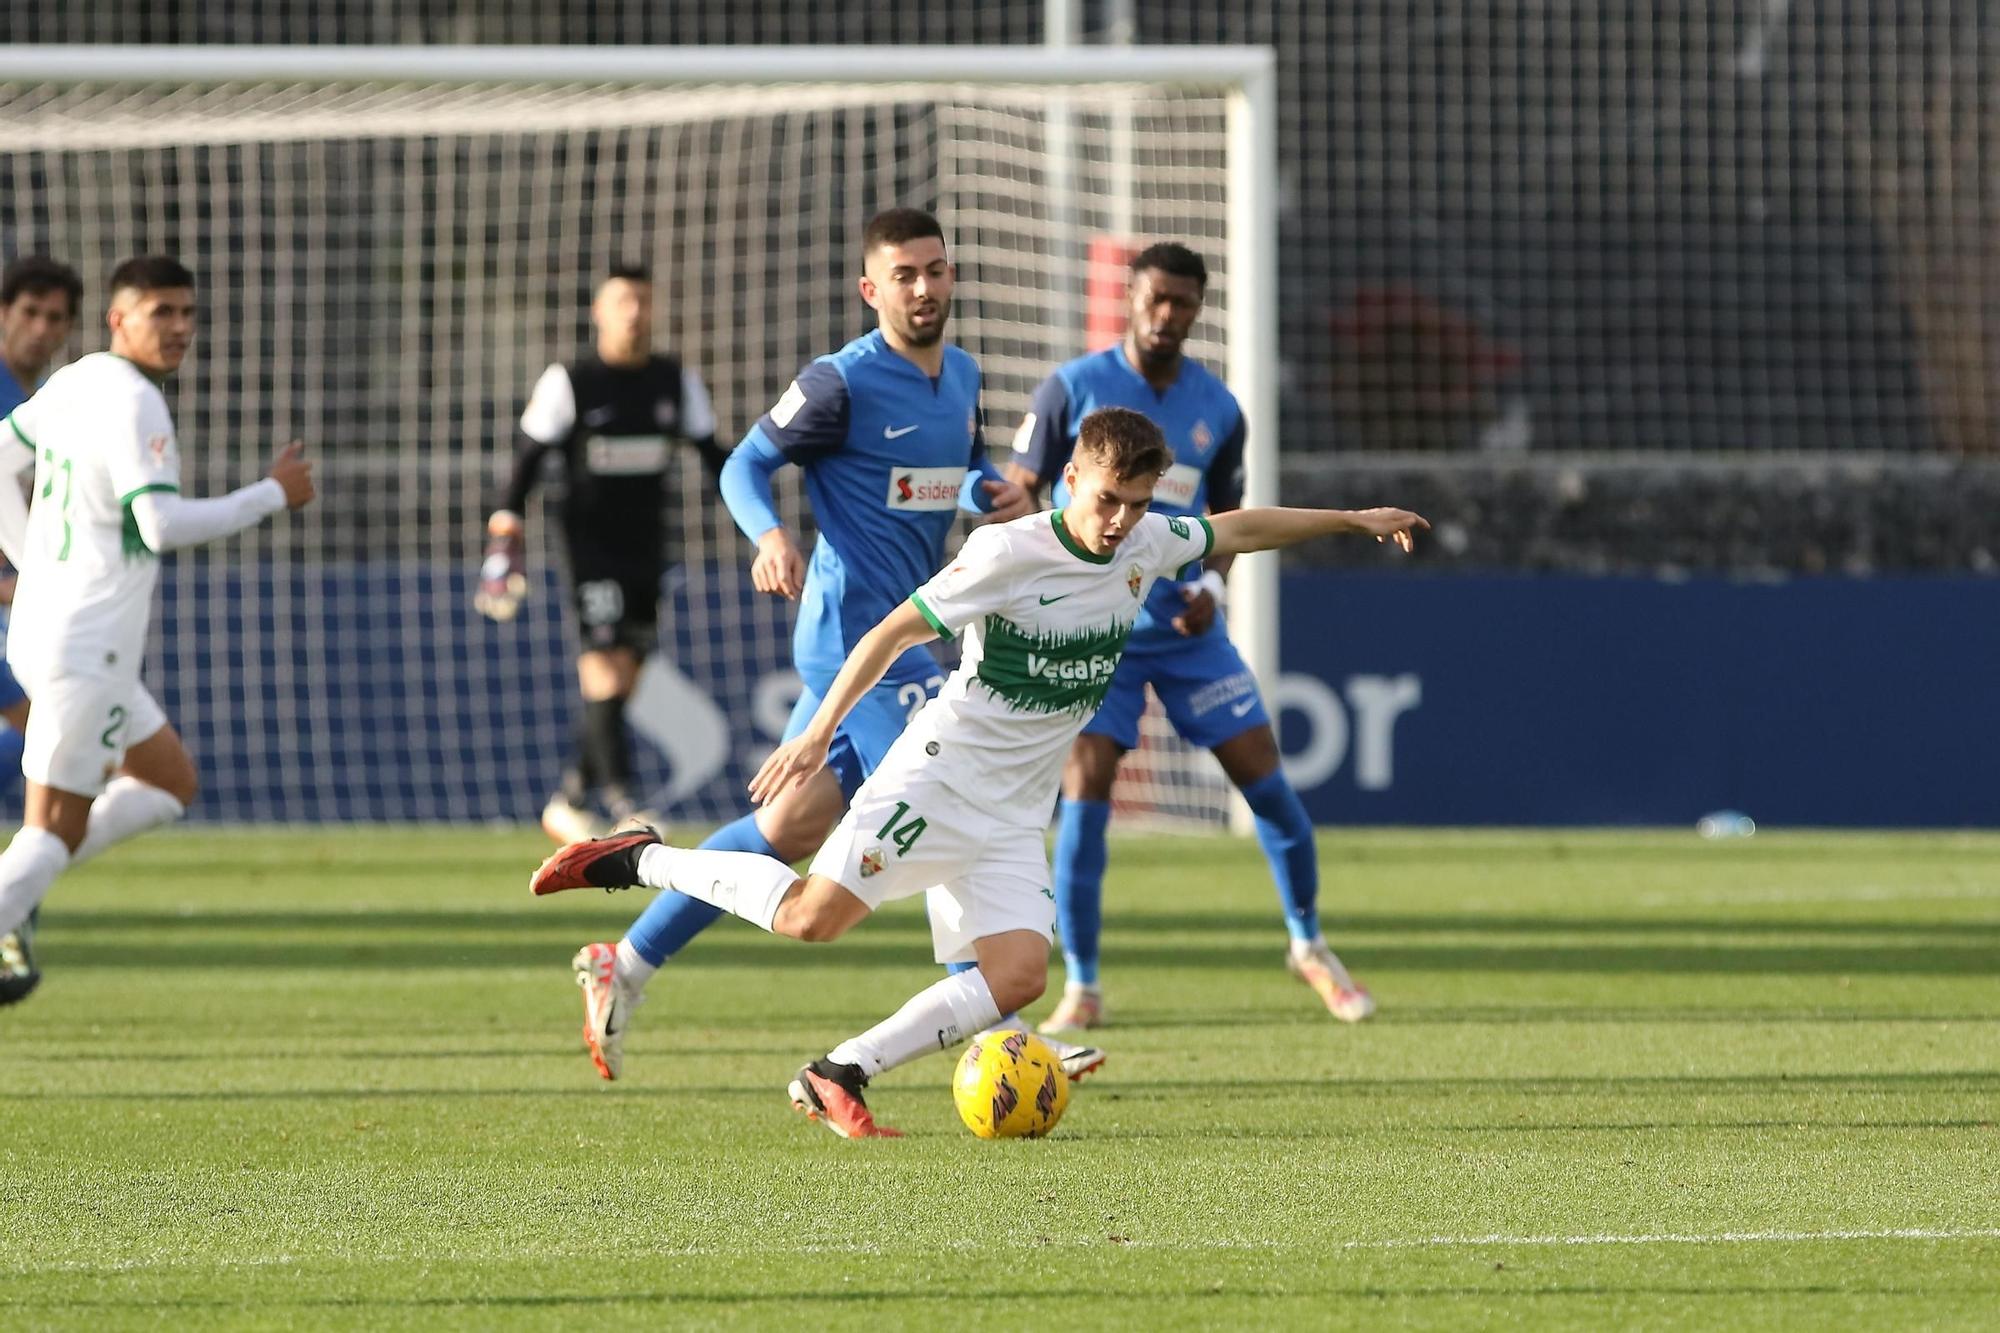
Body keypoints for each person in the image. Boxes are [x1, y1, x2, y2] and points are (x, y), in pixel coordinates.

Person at [531, 405, 1426, 1137]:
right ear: (1073, 478)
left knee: (1019, 975)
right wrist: (817, 735)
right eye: (1108, 498)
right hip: (940, 777)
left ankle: (838, 1070)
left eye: (1137, 503)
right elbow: (891, 633)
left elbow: (1237, 525)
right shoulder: (1007, 553)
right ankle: (638, 857)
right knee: (811, 917)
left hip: (1009, 811)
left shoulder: (1147, 542)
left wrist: (1351, 519)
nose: (1119, 520)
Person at [564, 207, 1046, 1083]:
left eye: (936, 270)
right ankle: (989, 1023)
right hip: (852, 633)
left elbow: (957, 469)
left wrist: (991, 491)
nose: (924, 288)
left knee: (782, 828)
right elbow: (741, 464)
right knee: (949, 773)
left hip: (911, 628)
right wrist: (767, 536)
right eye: (904, 275)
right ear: (871, 289)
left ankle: (622, 961)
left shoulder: (965, 374)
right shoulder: (840, 382)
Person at [1007, 243, 1376, 1032]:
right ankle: (1084, 983)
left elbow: (1230, 523)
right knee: (1085, 798)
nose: (1167, 314)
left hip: (1183, 631)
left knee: (1269, 787)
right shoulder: (1071, 390)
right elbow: (1020, 496)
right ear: (1131, 298)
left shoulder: (1221, 409)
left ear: (1198, 308)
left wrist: (1211, 585)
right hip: (1094, 633)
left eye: (1183, 302)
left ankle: (1309, 944)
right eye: (1156, 299)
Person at [0, 255, 315, 1004]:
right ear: (119, 318)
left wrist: (30, 563)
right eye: (159, 313)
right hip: (88, 645)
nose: (177, 328)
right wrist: (270, 493)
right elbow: (160, 522)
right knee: (49, 831)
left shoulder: (71, 381)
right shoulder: (138, 400)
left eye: (186, 313)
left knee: (170, 781)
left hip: (49, 629)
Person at [475, 264, 729, 842]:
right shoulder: (572, 382)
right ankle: (623, 803)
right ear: (599, 312)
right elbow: (526, 461)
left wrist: (760, 513)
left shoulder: (673, 382)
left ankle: (569, 796)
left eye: (643, 301)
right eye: (622, 302)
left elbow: (715, 456)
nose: (634, 314)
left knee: (625, 674)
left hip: (647, 546)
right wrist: (502, 539)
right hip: (588, 547)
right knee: (605, 664)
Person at [0, 258, 85, 810]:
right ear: (3, 313)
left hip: (20, 602)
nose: (40, 328)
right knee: (47, 731)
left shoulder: (52, 402)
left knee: (49, 734)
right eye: (29, 312)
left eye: (54, 318)